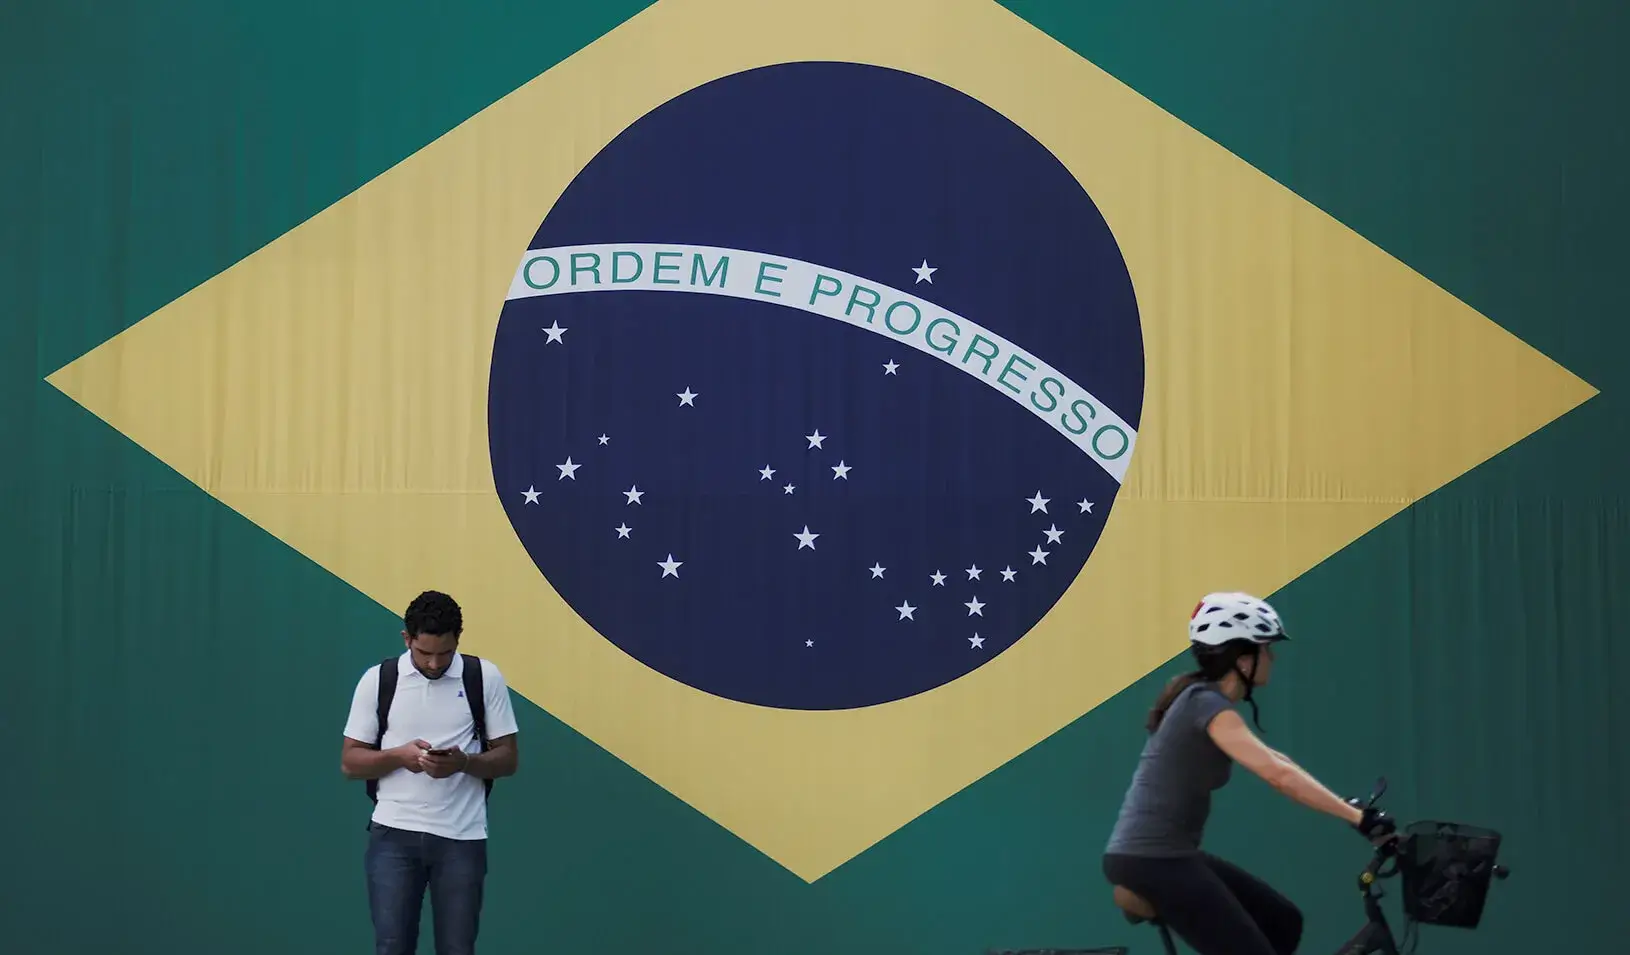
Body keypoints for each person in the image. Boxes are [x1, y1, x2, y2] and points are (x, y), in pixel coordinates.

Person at [1101, 592, 1394, 955]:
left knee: (1282, 922)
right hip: (1153, 858)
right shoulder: (1204, 704)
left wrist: (1351, 810)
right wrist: (1356, 818)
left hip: (1163, 855)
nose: (1271, 658)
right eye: (1266, 650)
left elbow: (1278, 762)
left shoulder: (1204, 700)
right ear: (1243, 659)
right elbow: (1276, 775)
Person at [341, 590, 520, 955]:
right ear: (406, 639)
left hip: (462, 838)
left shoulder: (483, 677)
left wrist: (464, 763)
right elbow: (350, 762)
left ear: (458, 640)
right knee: (392, 946)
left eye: (445, 653)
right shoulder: (379, 680)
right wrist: (399, 756)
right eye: (425, 653)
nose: (436, 663)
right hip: (392, 835)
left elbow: (508, 759)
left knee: (457, 948)